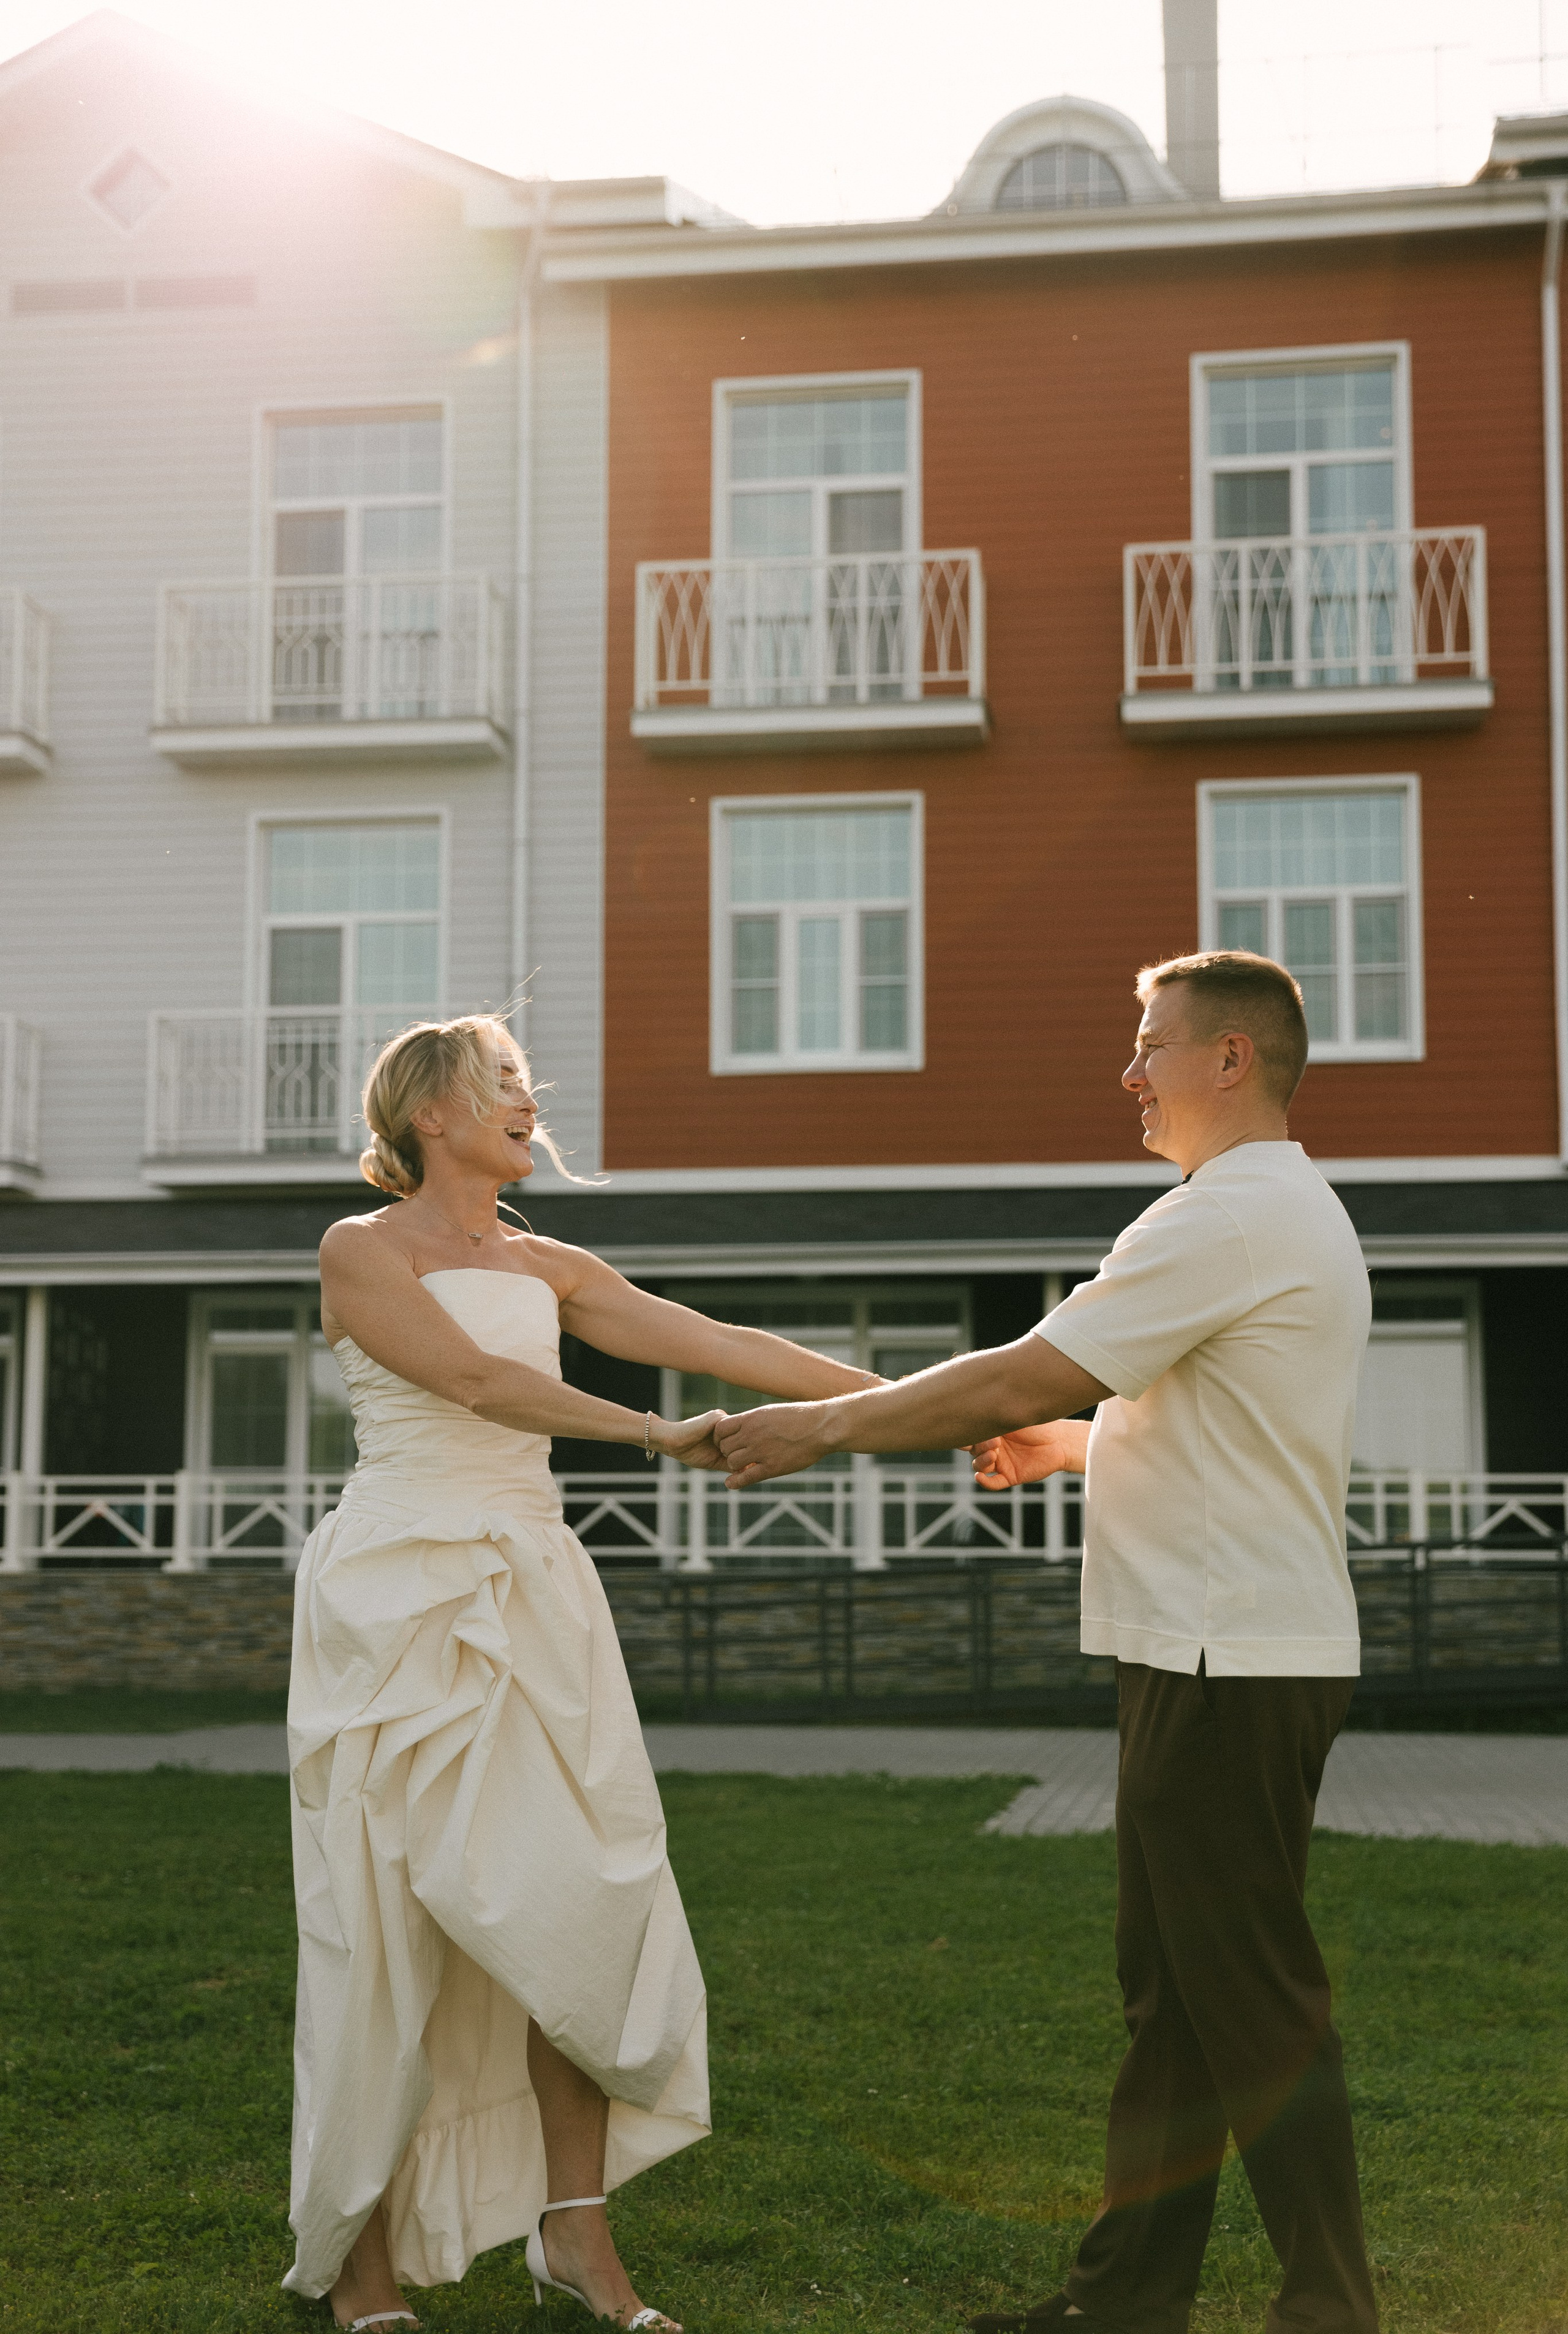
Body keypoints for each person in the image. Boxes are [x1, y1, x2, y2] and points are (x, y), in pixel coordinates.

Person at [715, 952, 1379, 2334]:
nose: (1128, 1074)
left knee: (1248, 1999)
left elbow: (1027, 1361)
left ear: (1229, 1060)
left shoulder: (1225, 1216)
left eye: (1149, 1047)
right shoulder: (1265, 1212)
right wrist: (1072, 1443)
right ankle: (1123, 2306)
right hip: (1212, 1649)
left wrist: (824, 1427)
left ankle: (1329, 2306)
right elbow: (1204, 1420)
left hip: (1224, 1659)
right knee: (1179, 2005)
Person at [284, 1012, 875, 2332]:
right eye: (497, 1084)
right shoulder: (359, 1249)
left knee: (576, 1899)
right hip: (396, 1601)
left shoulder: (550, 1261)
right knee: (388, 1917)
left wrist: (906, 1410)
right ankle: (362, 2263)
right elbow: (474, 1382)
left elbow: (715, 1342)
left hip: (535, 1594)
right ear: (427, 1112)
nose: (523, 1100)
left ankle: (574, 2238)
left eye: (522, 1084)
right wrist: (650, 1433)